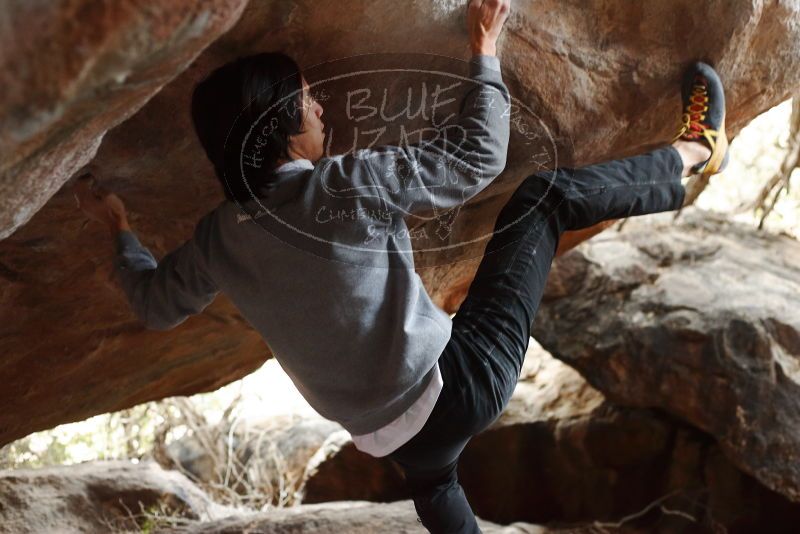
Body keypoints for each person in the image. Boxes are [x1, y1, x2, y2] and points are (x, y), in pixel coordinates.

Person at [73, 0, 729, 531]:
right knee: (542, 198)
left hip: (396, 447)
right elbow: (477, 158)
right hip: (460, 387)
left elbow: (156, 304)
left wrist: (122, 234)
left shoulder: (219, 237)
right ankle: (695, 153)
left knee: (435, 477)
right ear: (279, 123)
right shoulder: (337, 186)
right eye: (308, 99)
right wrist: (485, 50)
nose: (322, 108)